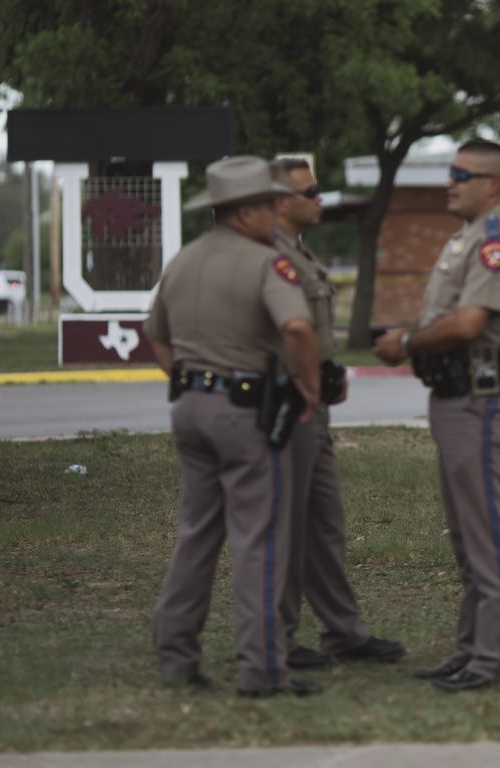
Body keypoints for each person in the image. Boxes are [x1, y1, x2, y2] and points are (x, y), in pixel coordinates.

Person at [145, 155, 323, 697]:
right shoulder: (266, 263)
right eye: (270, 203)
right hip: (246, 414)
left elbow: (152, 331)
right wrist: (309, 387)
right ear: (244, 212)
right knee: (259, 541)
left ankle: (176, 657)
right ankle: (263, 670)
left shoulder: (185, 260)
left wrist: (190, 376)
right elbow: (295, 325)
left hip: (190, 408)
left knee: (197, 536)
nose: (278, 210)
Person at [374, 139, 500, 693]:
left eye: (460, 174)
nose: (450, 182)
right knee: (468, 534)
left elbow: (469, 323)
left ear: (493, 184)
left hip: (484, 401)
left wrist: (407, 342)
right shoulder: (469, 237)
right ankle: (471, 649)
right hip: (458, 398)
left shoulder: (499, 241)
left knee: (488, 533)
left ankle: (495, 660)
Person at [269, 157, 405, 669]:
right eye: (311, 191)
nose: (320, 198)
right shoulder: (269, 255)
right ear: (280, 202)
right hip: (289, 405)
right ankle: (277, 641)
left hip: (316, 403)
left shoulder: (299, 253)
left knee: (324, 523)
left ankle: (343, 632)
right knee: (286, 526)